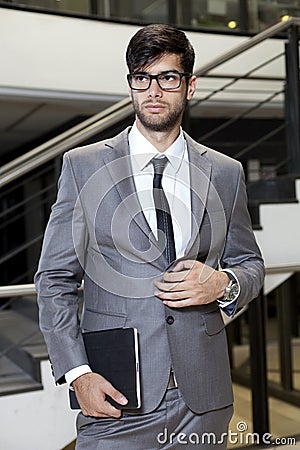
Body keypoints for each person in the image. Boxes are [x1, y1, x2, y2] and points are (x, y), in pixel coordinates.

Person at [35, 24, 264, 449]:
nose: (153, 91)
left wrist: (223, 283)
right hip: (118, 396)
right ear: (130, 86)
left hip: (205, 400)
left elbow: (250, 264)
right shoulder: (83, 167)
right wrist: (78, 374)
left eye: (168, 78)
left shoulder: (225, 172)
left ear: (190, 86)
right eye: (141, 78)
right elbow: (53, 280)